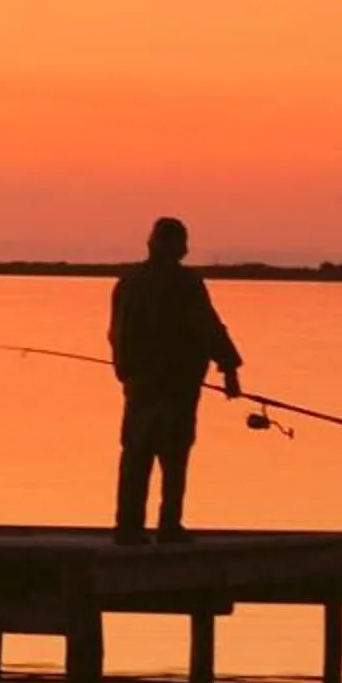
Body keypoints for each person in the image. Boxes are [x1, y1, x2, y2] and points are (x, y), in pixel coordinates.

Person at [108, 216, 242, 543]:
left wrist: (124, 371)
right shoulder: (186, 284)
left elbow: (116, 333)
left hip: (139, 385)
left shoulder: (129, 282)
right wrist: (229, 368)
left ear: (150, 244)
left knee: (135, 456)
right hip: (176, 387)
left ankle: (128, 528)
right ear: (181, 248)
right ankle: (168, 526)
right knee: (174, 457)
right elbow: (208, 327)